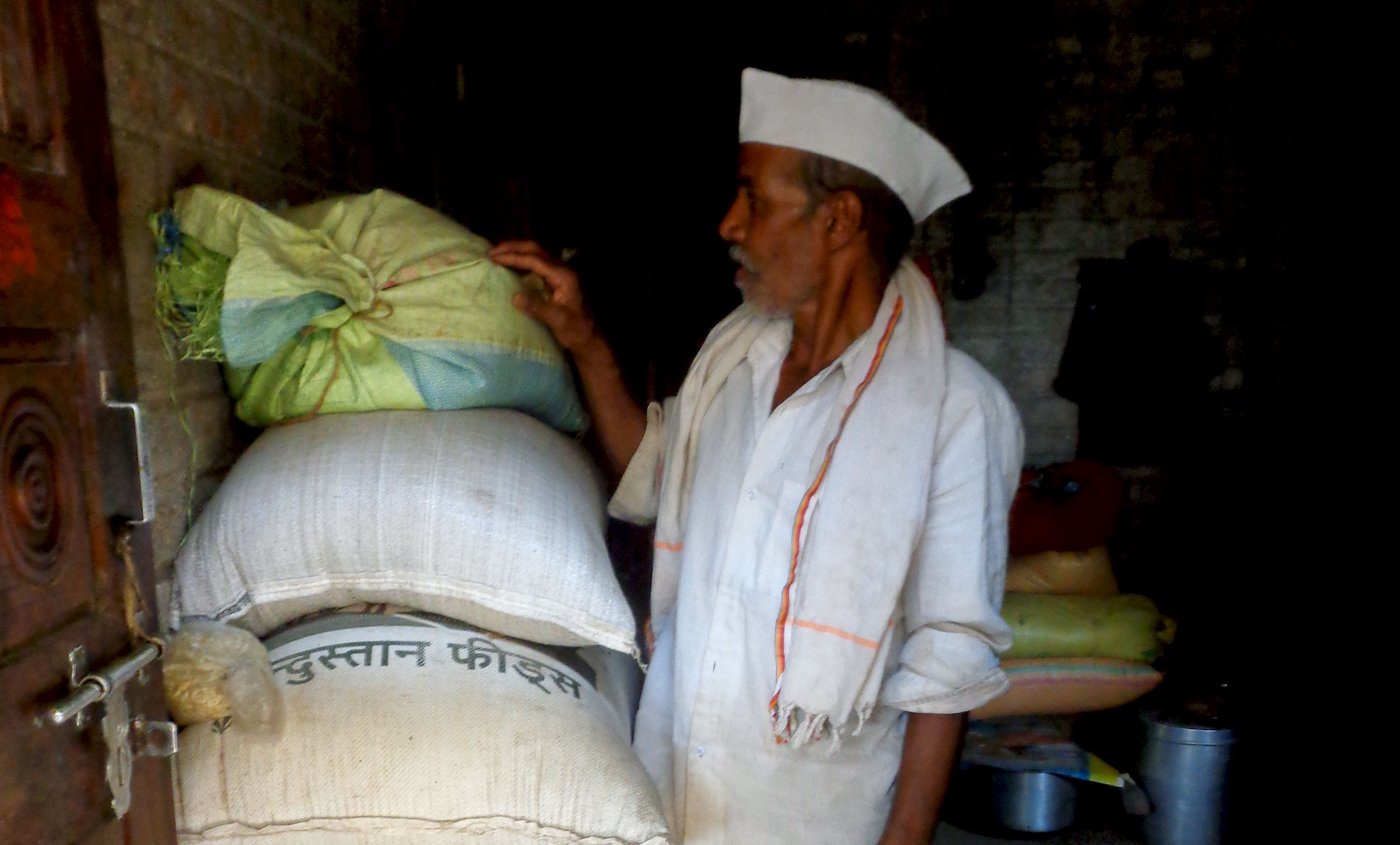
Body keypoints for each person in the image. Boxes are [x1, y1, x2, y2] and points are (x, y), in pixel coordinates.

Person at [490, 68, 1022, 845]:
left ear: (838, 219)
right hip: (675, 788)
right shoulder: (734, 367)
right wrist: (586, 345)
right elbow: (655, 477)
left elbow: (949, 658)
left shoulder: (954, 412)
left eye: (755, 198)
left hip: (812, 819)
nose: (729, 223)